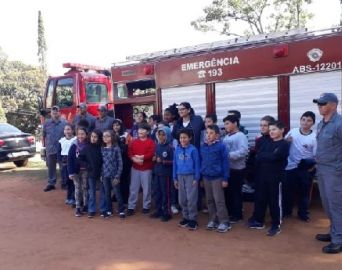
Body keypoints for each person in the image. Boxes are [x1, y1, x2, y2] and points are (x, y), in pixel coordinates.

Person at [248, 121, 289, 237]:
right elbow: (259, 155)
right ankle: (259, 221)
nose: (271, 132)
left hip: (276, 178)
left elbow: (274, 157)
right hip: (262, 176)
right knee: (261, 199)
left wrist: (266, 156)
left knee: (275, 202)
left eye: (274, 129)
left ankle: (276, 225)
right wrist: (267, 155)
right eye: (270, 130)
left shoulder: (284, 144)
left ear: (282, 130)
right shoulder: (267, 142)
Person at [313, 93, 342, 254]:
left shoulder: (339, 124)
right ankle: (334, 232)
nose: (320, 106)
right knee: (326, 204)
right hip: (322, 169)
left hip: (335, 172)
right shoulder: (321, 124)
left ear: (333, 105)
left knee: (336, 206)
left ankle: (338, 240)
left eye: (323, 103)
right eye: (319, 103)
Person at [282, 111, 317, 222]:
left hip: (305, 167)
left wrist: (312, 167)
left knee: (304, 192)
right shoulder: (293, 131)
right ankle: (286, 211)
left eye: (309, 120)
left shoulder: (315, 137)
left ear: (313, 123)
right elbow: (283, 143)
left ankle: (303, 213)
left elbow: (317, 155)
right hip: (290, 166)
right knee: (288, 190)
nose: (305, 122)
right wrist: (286, 141)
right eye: (303, 119)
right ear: (300, 120)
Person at [201, 125, 231, 233]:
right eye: (207, 133)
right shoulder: (203, 146)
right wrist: (201, 176)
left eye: (211, 133)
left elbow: (225, 163)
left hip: (217, 177)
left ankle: (224, 222)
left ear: (217, 135)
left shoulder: (221, 146)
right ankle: (213, 219)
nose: (208, 135)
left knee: (219, 200)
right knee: (209, 200)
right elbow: (202, 161)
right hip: (206, 177)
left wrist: (225, 178)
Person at [222, 114, 249, 223]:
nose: (225, 126)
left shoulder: (240, 135)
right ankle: (230, 212)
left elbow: (243, 151)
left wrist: (229, 155)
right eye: (225, 124)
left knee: (236, 192)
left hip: (237, 169)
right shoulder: (226, 136)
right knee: (228, 192)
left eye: (227, 123)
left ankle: (237, 215)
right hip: (228, 169)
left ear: (235, 123)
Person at [173, 129, 200, 230]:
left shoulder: (193, 150)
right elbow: (175, 165)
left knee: (191, 199)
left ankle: (193, 219)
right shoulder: (177, 149)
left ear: (190, 138)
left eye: (185, 137)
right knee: (182, 199)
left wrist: (196, 178)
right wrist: (174, 178)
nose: (182, 139)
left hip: (191, 176)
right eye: (181, 138)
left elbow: (197, 164)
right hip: (180, 176)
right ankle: (186, 217)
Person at [127, 123, 156, 216]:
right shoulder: (134, 142)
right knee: (133, 188)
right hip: (135, 168)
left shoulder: (151, 142)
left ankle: (146, 206)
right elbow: (130, 152)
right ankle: (131, 206)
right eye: (139, 129)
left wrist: (142, 157)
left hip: (146, 168)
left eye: (143, 129)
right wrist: (133, 158)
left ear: (147, 132)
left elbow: (151, 153)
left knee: (147, 188)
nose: (140, 131)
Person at [151, 126, 173, 222]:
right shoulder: (157, 146)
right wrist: (154, 159)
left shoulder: (170, 147)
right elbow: (155, 157)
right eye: (159, 134)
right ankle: (158, 210)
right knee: (157, 192)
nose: (161, 136)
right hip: (157, 173)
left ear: (167, 135)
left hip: (166, 174)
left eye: (163, 134)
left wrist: (163, 161)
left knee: (166, 193)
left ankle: (167, 212)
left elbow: (173, 162)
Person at [100, 130, 124, 218]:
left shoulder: (116, 149)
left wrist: (117, 176)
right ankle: (109, 210)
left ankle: (121, 210)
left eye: (107, 136)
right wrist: (101, 175)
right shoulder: (102, 149)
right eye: (104, 136)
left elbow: (120, 163)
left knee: (117, 193)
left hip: (114, 175)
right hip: (105, 175)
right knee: (107, 193)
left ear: (112, 137)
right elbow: (101, 163)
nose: (105, 138)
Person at [79, 129, 103, 218]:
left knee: (102, 192)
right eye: (92, 136)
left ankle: (103, 208)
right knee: (91, 192)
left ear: (99, 138)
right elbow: (80, 159)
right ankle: (91, 209)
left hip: (101, 173)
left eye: (95, 137)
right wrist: (87, 166)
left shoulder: (102, 148)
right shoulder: (87, 148)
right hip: (91, 173)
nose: (93, 138)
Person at [43, 105, 67, 192]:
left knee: (63, 167)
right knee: (51, 167)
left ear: (59, 113)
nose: (55, 113)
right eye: (53, 112)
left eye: (56, 111)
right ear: (51, 113)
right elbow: (44, 135)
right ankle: (51, 183)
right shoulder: (46, 123)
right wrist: (45, 147)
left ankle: (64, 183)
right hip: (50, 148)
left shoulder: (64, 123)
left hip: (62, 149)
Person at [68, 127, 89, 217]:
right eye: (79, 134)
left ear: (86, 135)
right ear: (76, 135)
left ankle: (85, 205)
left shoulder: (88, 145)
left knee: (85, 188)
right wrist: (70, 172)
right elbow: (70, 160)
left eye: (83, 134)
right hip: (75, 172)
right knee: (77, 188)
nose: (81, 136)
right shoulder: (73, 145)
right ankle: (78, 207)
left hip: (85, 171)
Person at [113, 119, 132, 204]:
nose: (116, 127)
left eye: (117, 125)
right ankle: (116, 196)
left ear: (121, 126)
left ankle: (125, 199)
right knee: (116, 180)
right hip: (114, 161)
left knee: (124, 180)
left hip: (125, 160)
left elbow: (129, 147)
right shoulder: (110, 134)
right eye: (114, 125)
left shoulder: (126, 135)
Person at [57, 124, 76, 205]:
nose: (67, 131)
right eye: (66, 130)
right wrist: (60, 162)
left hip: (72, 162)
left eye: (69, 129)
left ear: (72, 130)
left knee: (73, 181)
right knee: (67, 181)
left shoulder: (75, 140)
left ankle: (73, 198)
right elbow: (58, 152)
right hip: (64, 162)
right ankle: (69, 197)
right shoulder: (61, 140)